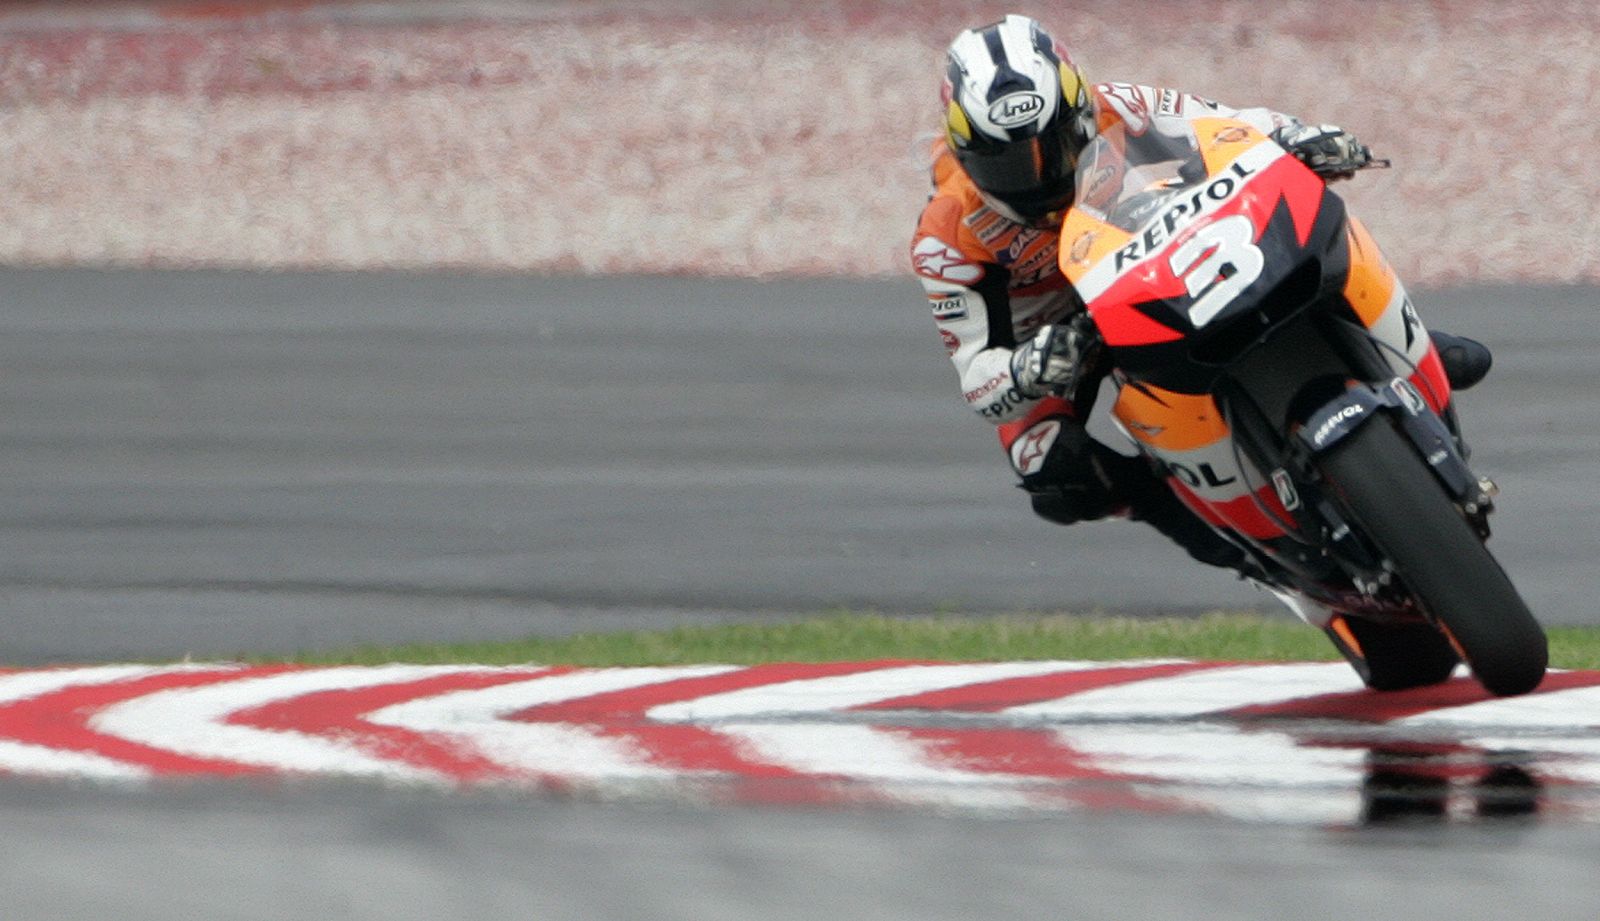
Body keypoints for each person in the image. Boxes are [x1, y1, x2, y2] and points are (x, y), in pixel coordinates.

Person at [911, 13, 1492, 576]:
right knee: (1049, 467)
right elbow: (978, 381)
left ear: (1082, 111)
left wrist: (1299, 137)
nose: (1040, 177)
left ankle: (1399, 350)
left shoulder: (1126, 106)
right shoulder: (947, 236)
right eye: (1010, 166)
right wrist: (1027, 368)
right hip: (1060, 333)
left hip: (1151, 259)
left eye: (1055, 145)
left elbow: (1234, 128)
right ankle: (1207, 525)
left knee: (1308, 235)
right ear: (965, 156)